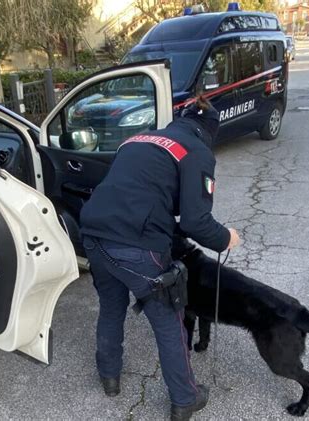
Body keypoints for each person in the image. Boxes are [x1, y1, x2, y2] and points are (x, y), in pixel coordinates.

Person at [80, 96, 240, 421]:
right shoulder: (197, 151)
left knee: (111, 308)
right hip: (137, 246)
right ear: (209, 131)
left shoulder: (139, 138)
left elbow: (141, 188)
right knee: (169, 324)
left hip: (93, 233)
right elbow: (196, 221)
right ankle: (185, 398)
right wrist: (226, 238)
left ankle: (109, 377)